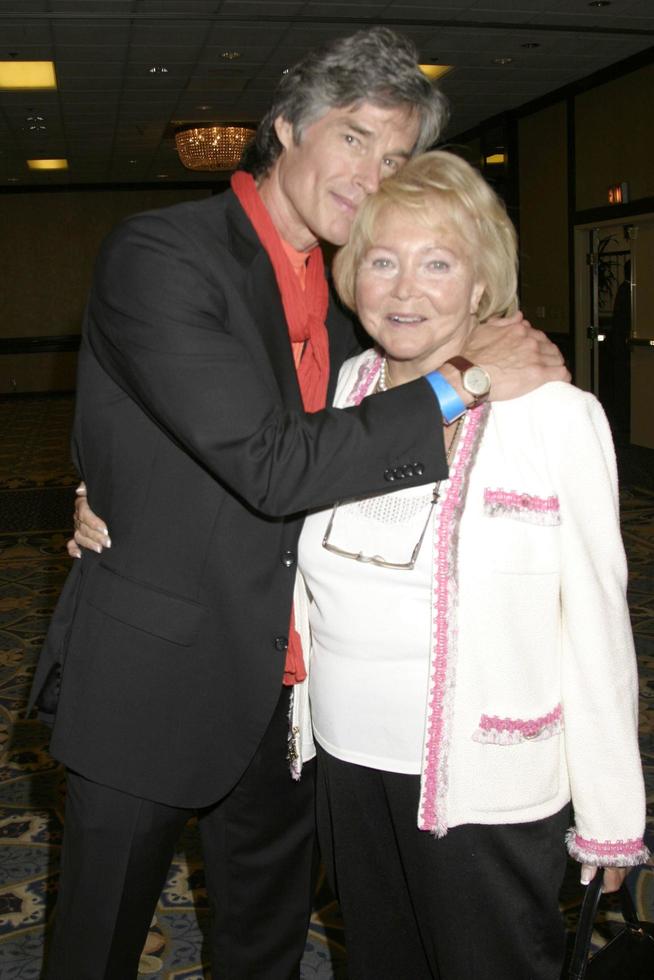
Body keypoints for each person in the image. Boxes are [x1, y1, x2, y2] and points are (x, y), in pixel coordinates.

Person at [33, 28, 568, 980]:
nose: (374, 174)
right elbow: (272, 463)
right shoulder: (164, 253)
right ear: (285, 128)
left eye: (397, 154)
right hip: (152, 676)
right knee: (96, 948)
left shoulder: (350, 290)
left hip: (289, 696)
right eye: (354, 137)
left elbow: (348, 455)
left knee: (265, 951)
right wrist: (461, 380)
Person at [287, 150, 649, 979]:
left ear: (483, 282)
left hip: (487, 780)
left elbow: (595, 623)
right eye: (382, 260)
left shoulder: (558, 417)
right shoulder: (346, 386)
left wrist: (611, 813)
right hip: (347, 760)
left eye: (437, 263)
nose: (404, 290)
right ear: (352, 275)